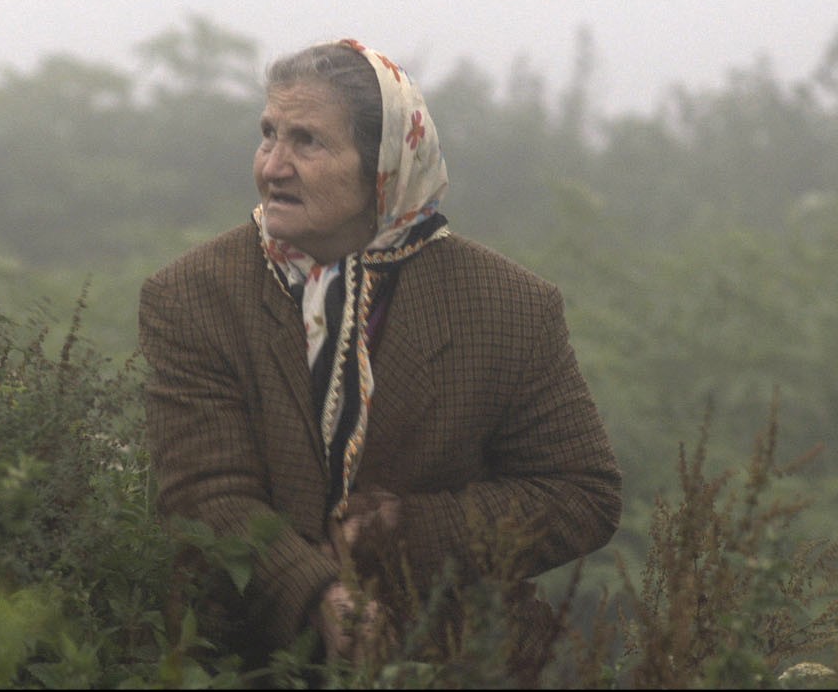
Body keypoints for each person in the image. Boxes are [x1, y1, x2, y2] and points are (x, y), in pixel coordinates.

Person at [141, 38, 621, 674]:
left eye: (306, 141)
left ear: (385, 166)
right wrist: (315, 593)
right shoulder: (197, 293)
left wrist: (407, 530)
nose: (272, 167)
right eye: (268, 135)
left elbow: (580, 494)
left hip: (455, 660)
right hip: (247, 660)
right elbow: (203, 489)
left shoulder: (510, 307)